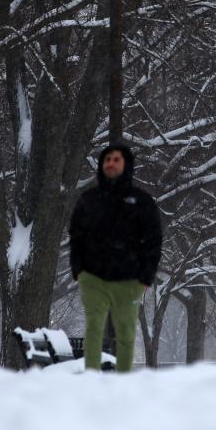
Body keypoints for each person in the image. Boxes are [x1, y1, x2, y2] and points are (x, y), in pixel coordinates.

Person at [68, 143, 163, 372]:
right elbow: (76, 236)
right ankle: (91, 378)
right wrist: (78, 269)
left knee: (126, 332)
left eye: (116, 159)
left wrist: (145, 277)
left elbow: (153, 240)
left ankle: (123, 383)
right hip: (92, 278)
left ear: (126, 165)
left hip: (129, 281)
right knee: (94, 328)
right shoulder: (88, 200)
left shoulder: (142, 202)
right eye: (107, 159)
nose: (110, 163)